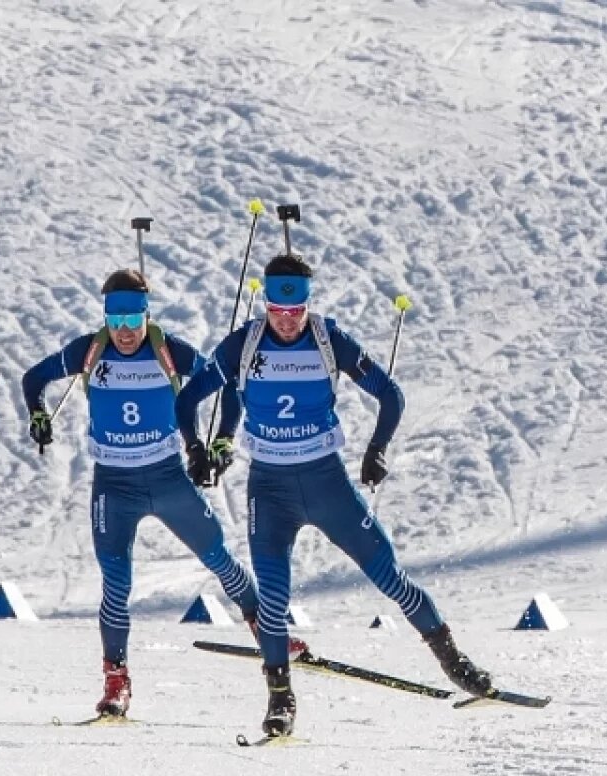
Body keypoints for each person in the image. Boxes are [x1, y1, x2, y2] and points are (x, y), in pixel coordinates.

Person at [175, 253, 493, 737]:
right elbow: (188, 397)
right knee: (273, 599)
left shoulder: (330, 340)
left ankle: (455, 663)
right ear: (265, 305)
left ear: (307, 303)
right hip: (270, 491)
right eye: (278, 312)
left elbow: (391, 395)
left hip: (328, 484)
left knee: (390, 577)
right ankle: (280, 699)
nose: (286, 321)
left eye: (295, 310)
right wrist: (196, 447)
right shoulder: (243, 343)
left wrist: (377, 450)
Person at [21, 268, 304, 718]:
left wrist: (222, 440)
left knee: (220, 560)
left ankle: (266, 631)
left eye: (134, 317)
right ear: (105, 318)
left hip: (167, 478)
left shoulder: (168, 349)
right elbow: (32, 379)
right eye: (116, 318)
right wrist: (38, 415)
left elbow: (228, 386)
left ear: (146, 314)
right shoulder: (89, 351)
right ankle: (117, 683)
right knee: (116, 585)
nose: (126, 329)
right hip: (113, 486)